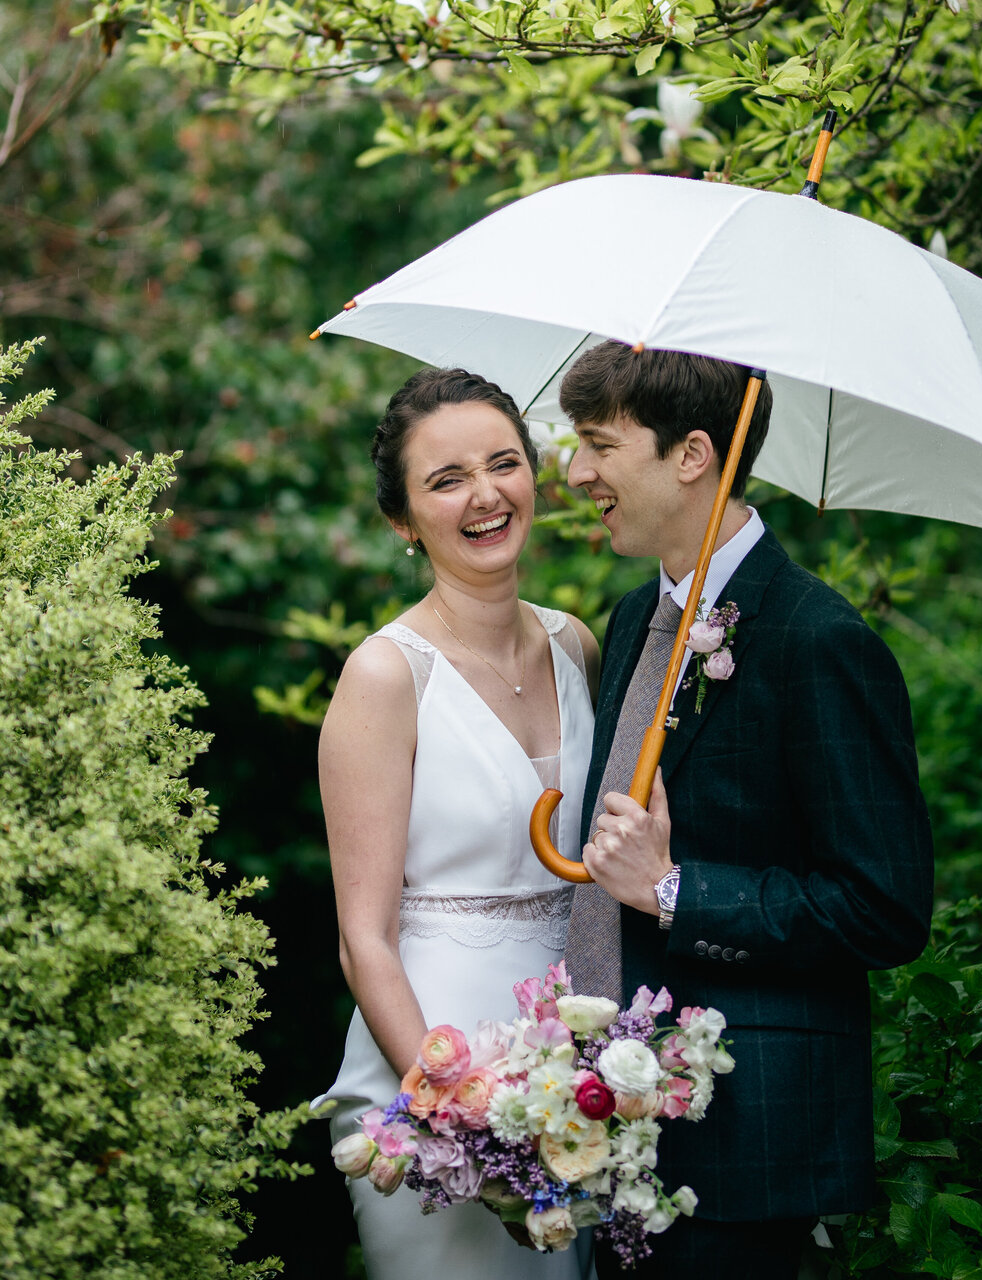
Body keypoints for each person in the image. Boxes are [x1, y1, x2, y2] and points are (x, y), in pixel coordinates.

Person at [558, 343, 934, 1279]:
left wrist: (676, 891)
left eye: (600, 444)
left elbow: (883, 907)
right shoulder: (627, 620)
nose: (576, 472)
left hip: (750, 1139)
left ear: (692, 455)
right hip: (615, 1124)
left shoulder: (821, 641)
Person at [314, 368, 598, 1279]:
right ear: (403, 520)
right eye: (446, 479)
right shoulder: (385, 678)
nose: (485, 495)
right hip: (428, 1056)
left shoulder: (578, 646)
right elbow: (364, 939)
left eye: (503, 463)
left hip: (581, 1066)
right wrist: (459, 1116)